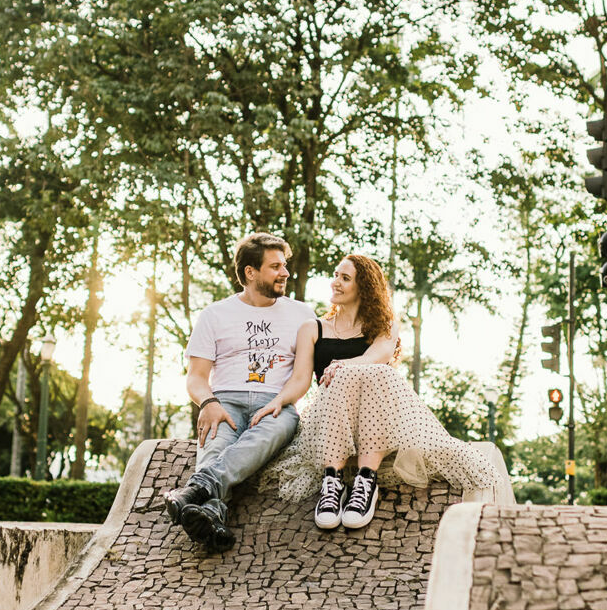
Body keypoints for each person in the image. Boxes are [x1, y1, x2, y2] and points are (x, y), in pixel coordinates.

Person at [271, 252, 515, 527]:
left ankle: (366, 480)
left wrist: (341, 366)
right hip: (330, 420)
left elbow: (377, 355)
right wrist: (277, 401)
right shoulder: (312, 328)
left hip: (373, 422)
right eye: (336, 275)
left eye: (345, 278)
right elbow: (300, 380)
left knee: (377, 371)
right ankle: (332, 482)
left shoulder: (385, 327)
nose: (335, 282)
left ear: (363, 288)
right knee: (347, 375)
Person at [165, 231, 317, 553]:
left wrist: (280, 401)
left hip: (276, 403)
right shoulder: (214, 315)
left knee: (271, 431)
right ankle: (211, 514)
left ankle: (199, 488)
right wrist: (209, 402)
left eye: (284, 265)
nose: (285, 273)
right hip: (225, 403)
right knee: (214, 443)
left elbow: (302, 376)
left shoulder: (303, 315)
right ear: (250, 272)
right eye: (275, 266)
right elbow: (196, 378)